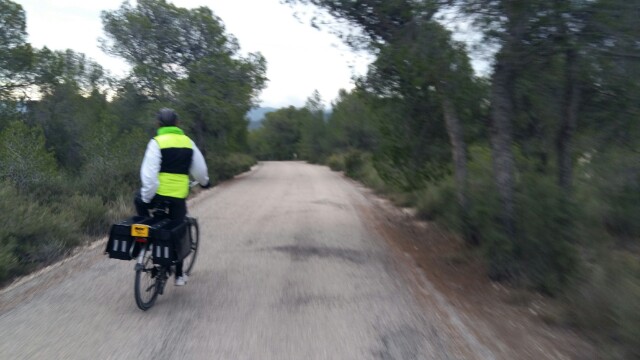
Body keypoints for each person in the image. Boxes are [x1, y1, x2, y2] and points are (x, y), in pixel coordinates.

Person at [135, 108, 210, 286]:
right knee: (179, 230)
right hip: (177, 196)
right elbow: (200, 170)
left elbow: (149, 175)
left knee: (139, 199)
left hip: (158, 195)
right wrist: (205, 182)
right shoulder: (188, 142)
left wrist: (146, 198)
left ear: (158, 124)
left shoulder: (156, 142)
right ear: (178, 124)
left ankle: (146, 238)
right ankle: (179, 275)